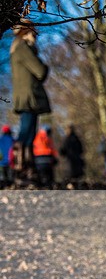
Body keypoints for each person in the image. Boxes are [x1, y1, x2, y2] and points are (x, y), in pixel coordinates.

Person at [10, 19, 50, 179]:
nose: (36, 35)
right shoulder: (23, 48)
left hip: (27, 97)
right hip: (29, 98)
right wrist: (44, 65)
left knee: (29, 133)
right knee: (26, 133)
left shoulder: (17, 48)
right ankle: (21, 167)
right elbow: (41, 71)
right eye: (33, 32)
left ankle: (27, 168)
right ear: (27, 32)